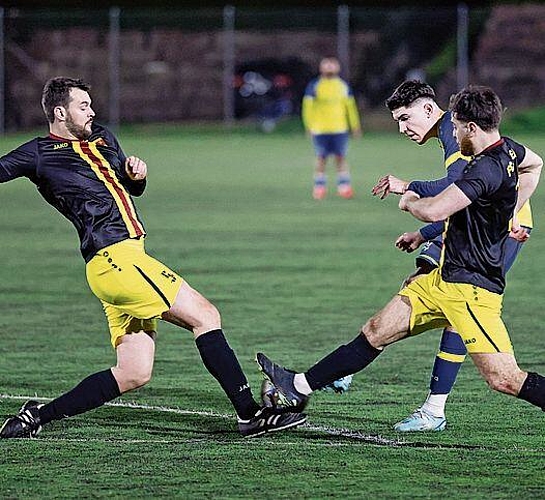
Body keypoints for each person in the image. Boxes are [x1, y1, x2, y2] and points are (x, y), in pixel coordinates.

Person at [0, 76, 306, 439]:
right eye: (84, 106)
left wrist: (136, 176)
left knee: (133, 372)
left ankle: (36, 416)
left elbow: (128, 188)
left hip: (123, 260)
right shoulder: (37, 153)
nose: (92, 111)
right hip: (115, 260)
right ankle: (249, 414)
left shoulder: (103, 136)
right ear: (60, 111)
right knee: (205, 316)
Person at [257, 86, 545, 428]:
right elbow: (535, 163)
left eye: (454, 125)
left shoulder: (484, 167)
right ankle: (298, 386)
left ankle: (434, 409)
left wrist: (409, 199)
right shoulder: (508, 152)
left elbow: (436, 209)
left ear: (470, 127)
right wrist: (512, 206)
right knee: (376, 330)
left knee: (504, 378)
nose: (450, 131)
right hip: (443, 280)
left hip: (471, 291)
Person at [367, 80, 535, 431]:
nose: (402, 128)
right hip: (478, 220)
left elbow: (454, 191)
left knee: (458, 303)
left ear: (430, 110)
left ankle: (434, 408)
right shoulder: (452, 131)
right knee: (423, 283)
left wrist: (409, 187)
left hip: (491, 231)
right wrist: (422, 234)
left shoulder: (452, 129)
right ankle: (354, 362)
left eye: (405, 118)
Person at [302, 57, 361, 200]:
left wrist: (355, 125)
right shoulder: (315, 86)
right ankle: (319, 187)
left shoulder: (342, 86)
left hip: (339, 129)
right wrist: (308, 125)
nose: (329, 67)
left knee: (340, 157)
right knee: (321, 158)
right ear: (321, 68)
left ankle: (344, 187)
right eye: (326, 64)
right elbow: (307, 106)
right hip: (320, 129)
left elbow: (350, 107)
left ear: (338, 68)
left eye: (332, 64)